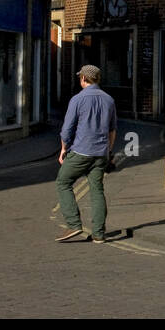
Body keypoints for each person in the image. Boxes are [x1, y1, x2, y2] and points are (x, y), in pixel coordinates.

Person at [56, 64, 117, 243]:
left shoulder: (78, 99)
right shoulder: (109, 100)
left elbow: (67, 130)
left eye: (80, 77)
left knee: (63, 181)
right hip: (101, 153)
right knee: (97, 189)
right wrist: (109, 151)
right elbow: (112, 130)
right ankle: (99, 234)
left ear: (84, 78)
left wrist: (63, 149)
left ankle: (74, 224)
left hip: (82, 151)